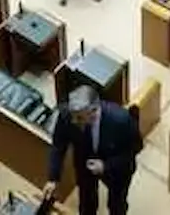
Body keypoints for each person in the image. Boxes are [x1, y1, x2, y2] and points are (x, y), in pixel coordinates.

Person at [43, 85, 143, 215]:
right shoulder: (68, 114)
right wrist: (53, 178)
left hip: (116, 170)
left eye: (79, 118)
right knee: (86, 203)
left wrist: (106, 166)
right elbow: (58, 145)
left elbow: (135, 149)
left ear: (94, 112)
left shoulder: (121, 121)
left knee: (116, 205)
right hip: (84, 164)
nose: (73, 121)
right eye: (73, 116)